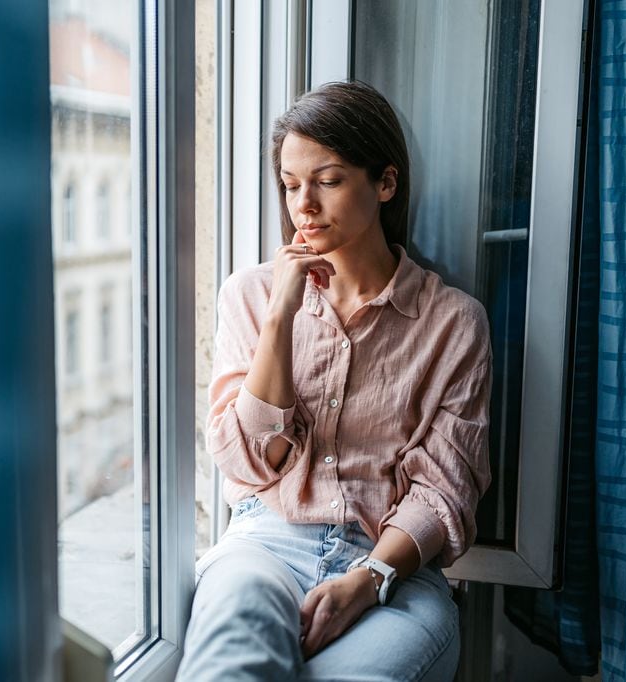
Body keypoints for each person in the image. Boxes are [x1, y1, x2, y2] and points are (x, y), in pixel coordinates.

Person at [176, 81, 492, 681]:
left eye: (328, 180)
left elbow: (447, 490)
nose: (304, 206)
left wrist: (370, 579)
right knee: (228, 663)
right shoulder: (252, 295)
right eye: (291, 186)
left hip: (395, 572)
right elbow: (246, 461)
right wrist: (279, 319)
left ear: (385, 183)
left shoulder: (454, 323)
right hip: (263, 545)